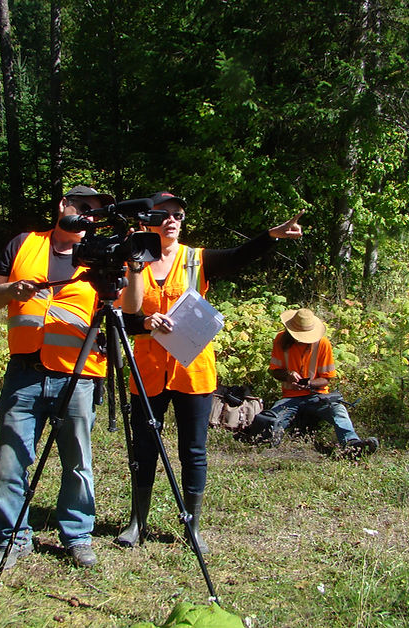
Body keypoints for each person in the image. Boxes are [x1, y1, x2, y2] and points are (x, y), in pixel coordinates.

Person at [117, 191, 304, 553]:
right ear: (146, 220)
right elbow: (126, 314)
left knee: (194, 450)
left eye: (179, 215)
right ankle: (137, 521)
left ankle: (192, 526)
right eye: (164, 213)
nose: (172, 219)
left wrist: (271, 236)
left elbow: (237, 257)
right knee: (144, 448)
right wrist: (145, 320)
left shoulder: (195, 259)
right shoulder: (131, 259)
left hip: (193, 368)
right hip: (148, 369)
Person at [0, 184, 115, 570]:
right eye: (82, 206)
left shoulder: (101, 257)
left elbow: (130, 308)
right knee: (11, 458)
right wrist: (8, 289)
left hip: (78, 375)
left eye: (96, 211)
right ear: (62, 205)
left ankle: (77, 536)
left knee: (77, 461)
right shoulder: (24, 243)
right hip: (24, 371)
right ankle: (13, 539)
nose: (88, 214)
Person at [257, 307, 379, 454]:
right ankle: (267, 443)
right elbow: (274, 371)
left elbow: (326, 379)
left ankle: (352, 443)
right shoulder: (280, 340)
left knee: (338, 410)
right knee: (274, 418)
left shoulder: (323, 344)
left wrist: (308, 384)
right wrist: (288, 375)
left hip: (318, 396)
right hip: (290, 397)